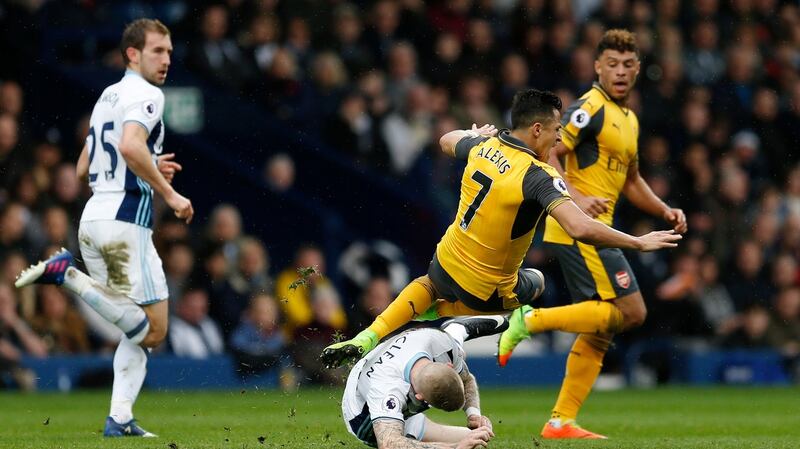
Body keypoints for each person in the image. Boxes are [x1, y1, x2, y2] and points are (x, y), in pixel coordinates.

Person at [322, 88, 681, 368]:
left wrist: (471, 131)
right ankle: (441, 323)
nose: (559, 140)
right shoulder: (539, 176)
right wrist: (638, 242)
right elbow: (581, 228)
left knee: (429, 286)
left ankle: (370, 336)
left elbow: (447, 139)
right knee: (536, 283)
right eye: (557, 130)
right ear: (537, 128)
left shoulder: (484, 145)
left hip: (444, 263)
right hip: (487, 291)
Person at [497, 29, 688, 439]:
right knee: (633, 312)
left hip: (600, 228)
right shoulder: (589, 109)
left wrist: (664, 209)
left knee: (602, 328)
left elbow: (632, 179)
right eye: (612, 64)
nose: (620, 72)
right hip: (580, 230)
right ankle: (530, 320)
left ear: (637, 69)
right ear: (598, 66)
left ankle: (560, 421)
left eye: (627, 65)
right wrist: (576, 195)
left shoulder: (629, 118)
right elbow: (549, 152)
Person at [14, 19, 193, 437]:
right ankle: (68, 275)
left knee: (136, 331)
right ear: (132, 54)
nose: (166, 60)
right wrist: (169, 194)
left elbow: (82, 169)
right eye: (157, 51)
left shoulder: (106, 97)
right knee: (153, 331)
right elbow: (130, 146)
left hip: (95, 219)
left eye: (168, 51)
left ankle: (119, 418)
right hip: (125, 223)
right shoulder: (147, 94)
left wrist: (145, 168)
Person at [341, 317, 500, 449]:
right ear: (419, 397)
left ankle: (457, 330)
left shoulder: (441, 344)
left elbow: (466, 379)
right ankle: (412, 432)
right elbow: (389, 443)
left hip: (416, 350)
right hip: (362, 416)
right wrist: (456, 447)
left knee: (477, 441)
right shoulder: (388, 390)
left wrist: (474, 414)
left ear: (448, 366)